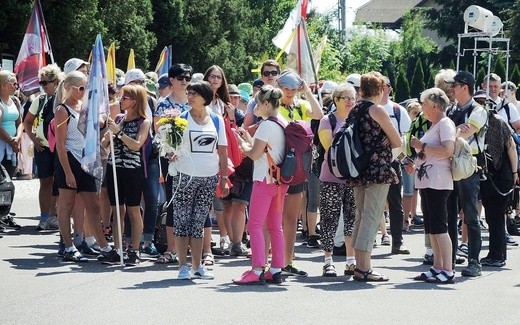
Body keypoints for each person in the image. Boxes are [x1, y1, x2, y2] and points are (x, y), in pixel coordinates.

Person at [53, 71, 117, 263]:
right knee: (67, 204)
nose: (83, 91)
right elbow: (60, 143)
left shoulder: (85, 107)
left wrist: (105, 116)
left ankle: (104, 246)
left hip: (85, 160)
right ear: (68, 88)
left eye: (85, 88)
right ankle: (68, 245)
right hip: (69, 159)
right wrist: (67, 172)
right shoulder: (62, 110)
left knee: (93, 205)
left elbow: (98, 124)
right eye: (80, 88)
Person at [170, 81, 229, 280]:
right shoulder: (181, 118)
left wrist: (224, 177)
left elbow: (222, 150)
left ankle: (197, 266)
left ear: (206, 97)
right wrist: (171, 152)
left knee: (198, 222)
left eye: (195, 93)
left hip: (209, 177)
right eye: (189, 93)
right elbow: (172, 146)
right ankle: (182, 266)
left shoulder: (217, 120)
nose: (190, 97)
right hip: (185, 176)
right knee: (181, 220)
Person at [345, 71, 401, 282]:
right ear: (378, 90)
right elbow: (397, 141)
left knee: (361, 216)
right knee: (372, 216)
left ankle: (360, 265)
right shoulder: (377, 110)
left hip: (358, 169)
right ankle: (365, 268)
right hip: (378, 169)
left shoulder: (355, 110)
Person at [233, 85, 288, 284]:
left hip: (264, 180)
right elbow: (266, 149)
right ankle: (276, 269)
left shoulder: (266, 125)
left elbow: (255, 154)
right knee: (275, 226)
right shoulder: (282, 121)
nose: (256, 107)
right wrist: (248, 140)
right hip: (281, 181)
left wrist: (241, 145)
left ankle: (257, 269)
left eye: (258, 103)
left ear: (266, 104)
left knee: (254, 225)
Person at [276, 70, 323, 277]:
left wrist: (307, 92)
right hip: (276, 166)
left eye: (293, 89)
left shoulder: (300, 106)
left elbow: (319, 114)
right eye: (285, 88)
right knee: (274, 218)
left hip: (296, 168)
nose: (289, 92)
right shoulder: (273, 105)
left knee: (291, 218)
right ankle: (274, 261)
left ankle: (288, 261)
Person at [407, 88, 456, 284]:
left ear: (435, 105)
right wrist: (416, 161)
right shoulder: (435, 124)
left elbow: (447, 150)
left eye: (424, 104)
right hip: (428, 180)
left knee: (440, 227)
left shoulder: (445, 123)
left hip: (438, 181)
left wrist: (422, 146)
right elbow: (431, 153)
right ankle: (438, 266)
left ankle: (448, 269)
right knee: (432, 228)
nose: (422, 108)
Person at [445, 71, 488, 277]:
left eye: (455, 85)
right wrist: (455, 130)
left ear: (465, 87)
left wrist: (450, 131)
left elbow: (467, 131)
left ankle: (474, 262)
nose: (452, 89)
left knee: (470, 214)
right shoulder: (452, 109)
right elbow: (454, 131)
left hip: (468, 165)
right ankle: (449, 259)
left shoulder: (478, 110)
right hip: (449, 162)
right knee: (449, 212)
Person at [103, 84, 151, 266]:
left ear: (135, 101)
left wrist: (118, 132)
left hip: (132, 170)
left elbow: (136, 145)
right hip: (114, 167)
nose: (121, 101)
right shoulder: (118, 119)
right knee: (117, 211)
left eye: (125, 98)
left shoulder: (143, 122)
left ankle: (135, 249)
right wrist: (107, 138)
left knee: (133, 210)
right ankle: (117, 249)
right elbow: (105, 144)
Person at [317, 83, 357, 277]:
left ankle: (351, 260)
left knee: (352, 219)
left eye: (353, 98)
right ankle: (328, 260)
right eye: (346, 98)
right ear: (336, 100)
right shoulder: (328, 121)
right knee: (329, 218)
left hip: (353, 178)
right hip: (331, 176)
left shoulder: (358, 120)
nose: (350, 102)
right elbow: (330, 147)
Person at [154, 63, 192, 265]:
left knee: (194, 202)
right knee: (172, 201)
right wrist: (171, 151)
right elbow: (158, 131)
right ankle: (171, 249)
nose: (184, 81)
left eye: (187, 78)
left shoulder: (195, 102)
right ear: (172, 80)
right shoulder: (162, 104)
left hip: (193, 158)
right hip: (170, 158)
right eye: (180, 78)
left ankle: (196, 249)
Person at [23, 64, 63, 231]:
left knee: (61, 183)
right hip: (43, 147)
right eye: (41, 82)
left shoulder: (63, 100)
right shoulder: (39, 100)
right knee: (45, 182)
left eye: (46, 82)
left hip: (61, 147)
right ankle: (45, 216)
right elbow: (27, 121)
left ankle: (57, 216)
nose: (43, 86)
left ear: (56, 82)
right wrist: (34, 139)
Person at [479, 104, 518, 267]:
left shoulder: (497, 122)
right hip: (495, 176)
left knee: (495, 217)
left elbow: (511, 147)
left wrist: (515, 173)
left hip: (500, 176)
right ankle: (496, 254)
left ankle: (497, 256)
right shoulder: (492, 122)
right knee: (493, 216)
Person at [380, 76, 412, 255]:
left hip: (392, 162)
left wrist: (405, 160)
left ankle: (397, 241)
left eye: (383, 86)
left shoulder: (398, 110)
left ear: (389, 88)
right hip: (371, 163)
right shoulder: (367, 108)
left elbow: (404, 141)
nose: (380, 89)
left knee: (395, 203)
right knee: (368, 205)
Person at [0, 71, 23, 230]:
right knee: (3, 182)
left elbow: (20, 122)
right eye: (13, 83)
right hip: (2, 144)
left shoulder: (15, 100)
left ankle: (3, 213)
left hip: (12, 146)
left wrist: (18, 138)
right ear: (3, 85)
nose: (16, 86)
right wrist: (10, 139)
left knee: (8, 183)